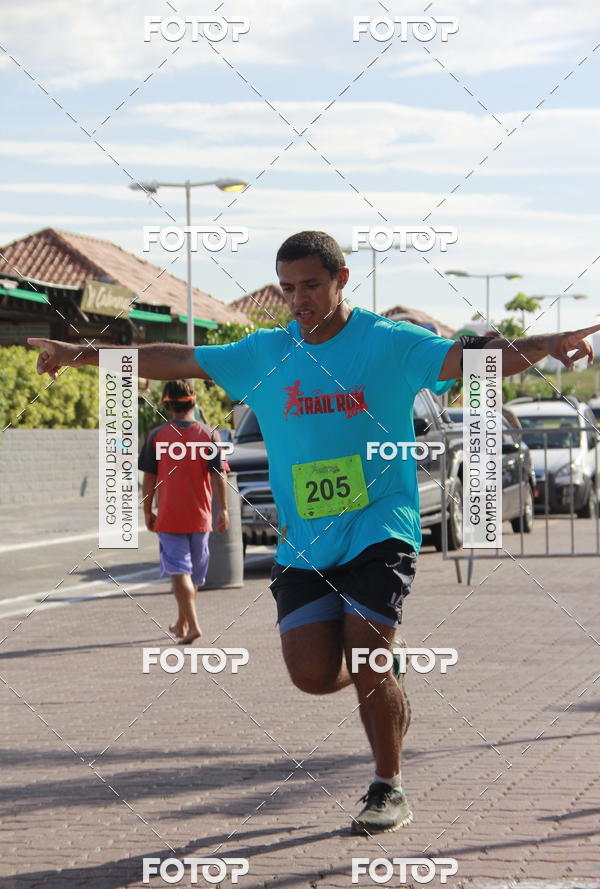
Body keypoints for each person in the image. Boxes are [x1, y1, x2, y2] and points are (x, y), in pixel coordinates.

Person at [28, 231, 599, 834]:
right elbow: (177, 359)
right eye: (288, 288)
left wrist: (546, 344)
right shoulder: (265, 352)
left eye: (311, 285)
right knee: (311, 675)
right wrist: (79, 353)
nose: (299, 299)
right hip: (304, 539)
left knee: (366, 655)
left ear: (341, 280)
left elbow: (472, 357)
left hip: (381, 522)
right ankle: (386, 663)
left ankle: (387, 785)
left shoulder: (387, 342)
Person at [138, 379, 229, 645]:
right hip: (201, 518)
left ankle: (193, 626)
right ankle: (182, 622)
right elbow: (219, 476)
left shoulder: (157, 436)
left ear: (166, 404)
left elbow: (149, 479)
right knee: (191, 576)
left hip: (170, 517)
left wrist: (147, 511)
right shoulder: (209, 435)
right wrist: (224, 509)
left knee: (180, 573)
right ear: (194, 402)